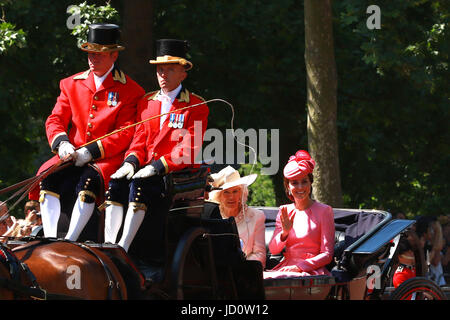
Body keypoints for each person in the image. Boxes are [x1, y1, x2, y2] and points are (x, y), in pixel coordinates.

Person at [28, 24, 145, 241]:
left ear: (114, 55)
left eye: (99, 54)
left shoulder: (131, 90)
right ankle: (52, 237)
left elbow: (125, 132)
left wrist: (90, 152)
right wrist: (62, 143)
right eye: (90, 54)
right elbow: (55, 119)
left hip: (106, 159)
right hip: (70, 154)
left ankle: (70, 240)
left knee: (89, 181)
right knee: (48, 176)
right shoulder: (70, 84)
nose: (93, 59)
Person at [102, 39, 209, 257]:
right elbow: (139, 140)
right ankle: (108, 245)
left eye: (170, 69)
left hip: (174, 174)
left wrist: (157, 166)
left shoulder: (196, 106)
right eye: (160, 70)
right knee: (116, 183)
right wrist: (130, 162)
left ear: (183, 73)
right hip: (144, 169)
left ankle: (123, 247)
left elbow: (188, 149)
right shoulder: (146, 102)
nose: (163, 75)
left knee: (140, 185)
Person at [264, 150, 335, 278]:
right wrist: (284, 233)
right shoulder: (284, 210)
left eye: (304, 181)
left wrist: (300, 267)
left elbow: (327, 255)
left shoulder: (324, 211)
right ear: (288, 186)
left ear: (311, 182)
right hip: (287, 268)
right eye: (294, 183)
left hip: (312, 270)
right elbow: (274, 250)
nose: (300, 187)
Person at [208, 166, 266, 268]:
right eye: (226, 192)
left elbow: (260, 255)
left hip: (246, 275)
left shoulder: (257, 217)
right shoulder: (213, 218)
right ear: (219, 195)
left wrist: (239, 268)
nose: (231, 197)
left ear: (241, 193)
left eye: (235, 191)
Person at [416, 216, 446, 286]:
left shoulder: (429, 244)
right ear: (425, 232)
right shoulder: (422, 247)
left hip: (434, 284)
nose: (432, 232)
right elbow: (435, 261)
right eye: (431, 229)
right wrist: (438, 231)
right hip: (429, 286)